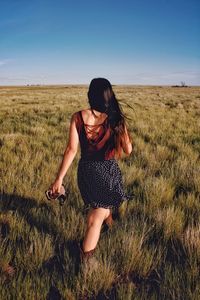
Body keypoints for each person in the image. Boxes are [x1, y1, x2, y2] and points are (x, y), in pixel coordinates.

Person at [49, 78, 133, 270]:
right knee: (95, 217)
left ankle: (109, 224)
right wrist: (122, 127)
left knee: (100, 206)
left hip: (85, 173)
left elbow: (71, 150)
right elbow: (128, 150)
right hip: (107, 171)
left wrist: (59, 179)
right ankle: (85, 263)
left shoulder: (77, 117)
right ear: (109, 96)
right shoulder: (115, 118)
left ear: (90, 95)